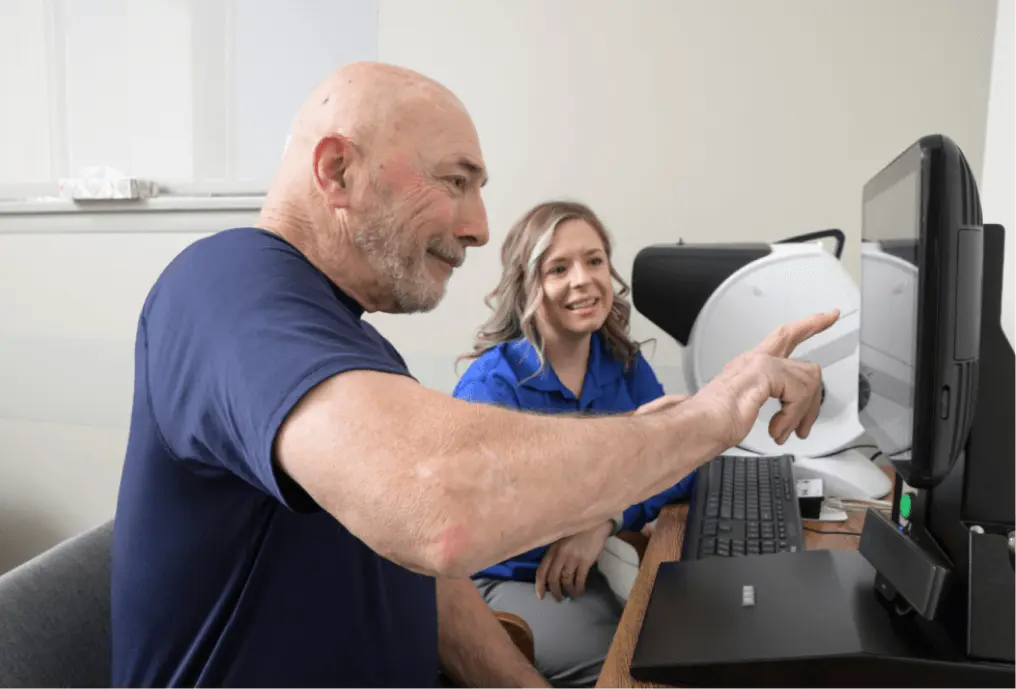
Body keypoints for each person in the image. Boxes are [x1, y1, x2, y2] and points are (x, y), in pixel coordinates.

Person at [110, 60, 834, 689]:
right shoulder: (224, 287)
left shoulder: (357, 347)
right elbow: (441, 504)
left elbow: (438, 593)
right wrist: (714, 412)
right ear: (336, 170)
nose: (479, 226)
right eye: (456, 181)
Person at [452, 200, 694, 687]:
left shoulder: (620, 362)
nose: (582, 279)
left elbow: (680, 460)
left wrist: (607, 520)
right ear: (528, 284)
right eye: (557, 268)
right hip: (511, 578)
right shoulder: (493, 386)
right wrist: (617, 491)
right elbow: (488, 517)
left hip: (596, 556)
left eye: (595, 260)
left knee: (697, 640)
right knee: (634, 667)